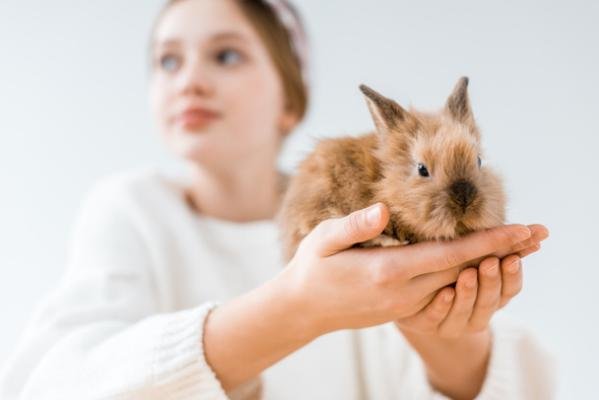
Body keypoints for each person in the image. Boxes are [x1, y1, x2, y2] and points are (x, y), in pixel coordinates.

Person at [0, 0, 556, 399]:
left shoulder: (370, 216)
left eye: (225, 56)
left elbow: (522, 385)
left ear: (290, 100)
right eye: (168, 61)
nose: (190, 79)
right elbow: (53, 381)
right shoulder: (130, 209)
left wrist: (445, 333)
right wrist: (296, 307)